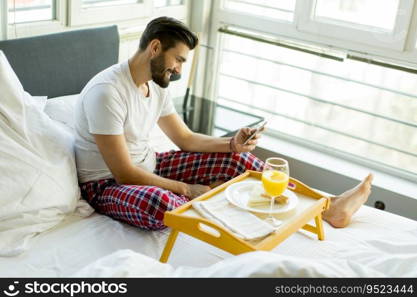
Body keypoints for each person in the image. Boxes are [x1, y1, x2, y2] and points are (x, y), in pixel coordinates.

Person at [75, 16, 373, 231]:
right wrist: (188, 189)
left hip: (151, 164)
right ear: (154, 48)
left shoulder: (156, 84)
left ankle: (325, 206)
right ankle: (234, 214)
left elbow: (185, 139)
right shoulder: (107, 92)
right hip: (107, 184)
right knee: (164, 205)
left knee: (238, 161)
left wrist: (231, 144)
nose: (178, 70)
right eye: (177, 60)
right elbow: (125, 174)